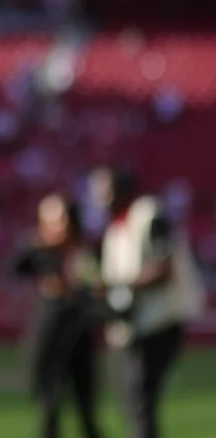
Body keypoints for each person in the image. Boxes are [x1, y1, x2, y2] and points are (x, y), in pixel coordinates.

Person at [92, 167, 206, 438]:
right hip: (134, 325)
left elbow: (162, 269)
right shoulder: (118, 225)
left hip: (159, 322)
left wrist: (117, 284)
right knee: (131, 400)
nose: (97, 196)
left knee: (140, 399)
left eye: (102, 189)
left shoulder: (149, 215)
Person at [15, 194, 104, 438]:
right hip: (49, 337)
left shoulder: (84, 252)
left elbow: (95, 290)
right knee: (49, 410)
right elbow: (15, 266)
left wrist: (75, 289)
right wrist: (38, 243)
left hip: (78, 337)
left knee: (86, 412)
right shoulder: (42, 252)